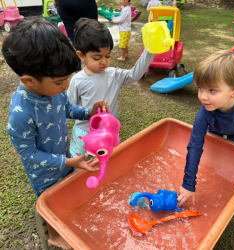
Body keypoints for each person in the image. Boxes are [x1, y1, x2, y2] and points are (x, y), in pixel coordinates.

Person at [2, 18, 108, 249]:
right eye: (61, 82)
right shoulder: (21, 113)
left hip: (65, 156)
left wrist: (90, 113)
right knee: (51, 202)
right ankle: (54, 234)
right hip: (44, 174)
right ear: (29, 80)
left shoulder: (54, 91)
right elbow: (30, 154)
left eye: (67, 80)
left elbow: (68, 109)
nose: (66, 87)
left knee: (67, 191)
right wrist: (70, 161)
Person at [67, 18, 155, 157]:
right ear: (81, 56)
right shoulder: (77, 80)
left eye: (107, 56)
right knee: (77, 170)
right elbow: (69, 109)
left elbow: (135, 75)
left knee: (109, 165)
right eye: (97, 58)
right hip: (83, 134)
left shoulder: (114, 75)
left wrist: (149, 51)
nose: (104, 62)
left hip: (109, 132)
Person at [177, 50, 234, 207]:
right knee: (213, 159)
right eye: (200, 88)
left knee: (232, 161)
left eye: (212, 90)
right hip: (215, 130)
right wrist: (188, 184)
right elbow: (195, 146)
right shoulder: (205, 113)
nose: (203, 96)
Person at [53, 0, 98, 70]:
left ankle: (78, 73)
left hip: (63, 3)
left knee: (74, 38)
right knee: (92, 33)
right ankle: (94, 68)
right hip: (84, 3)